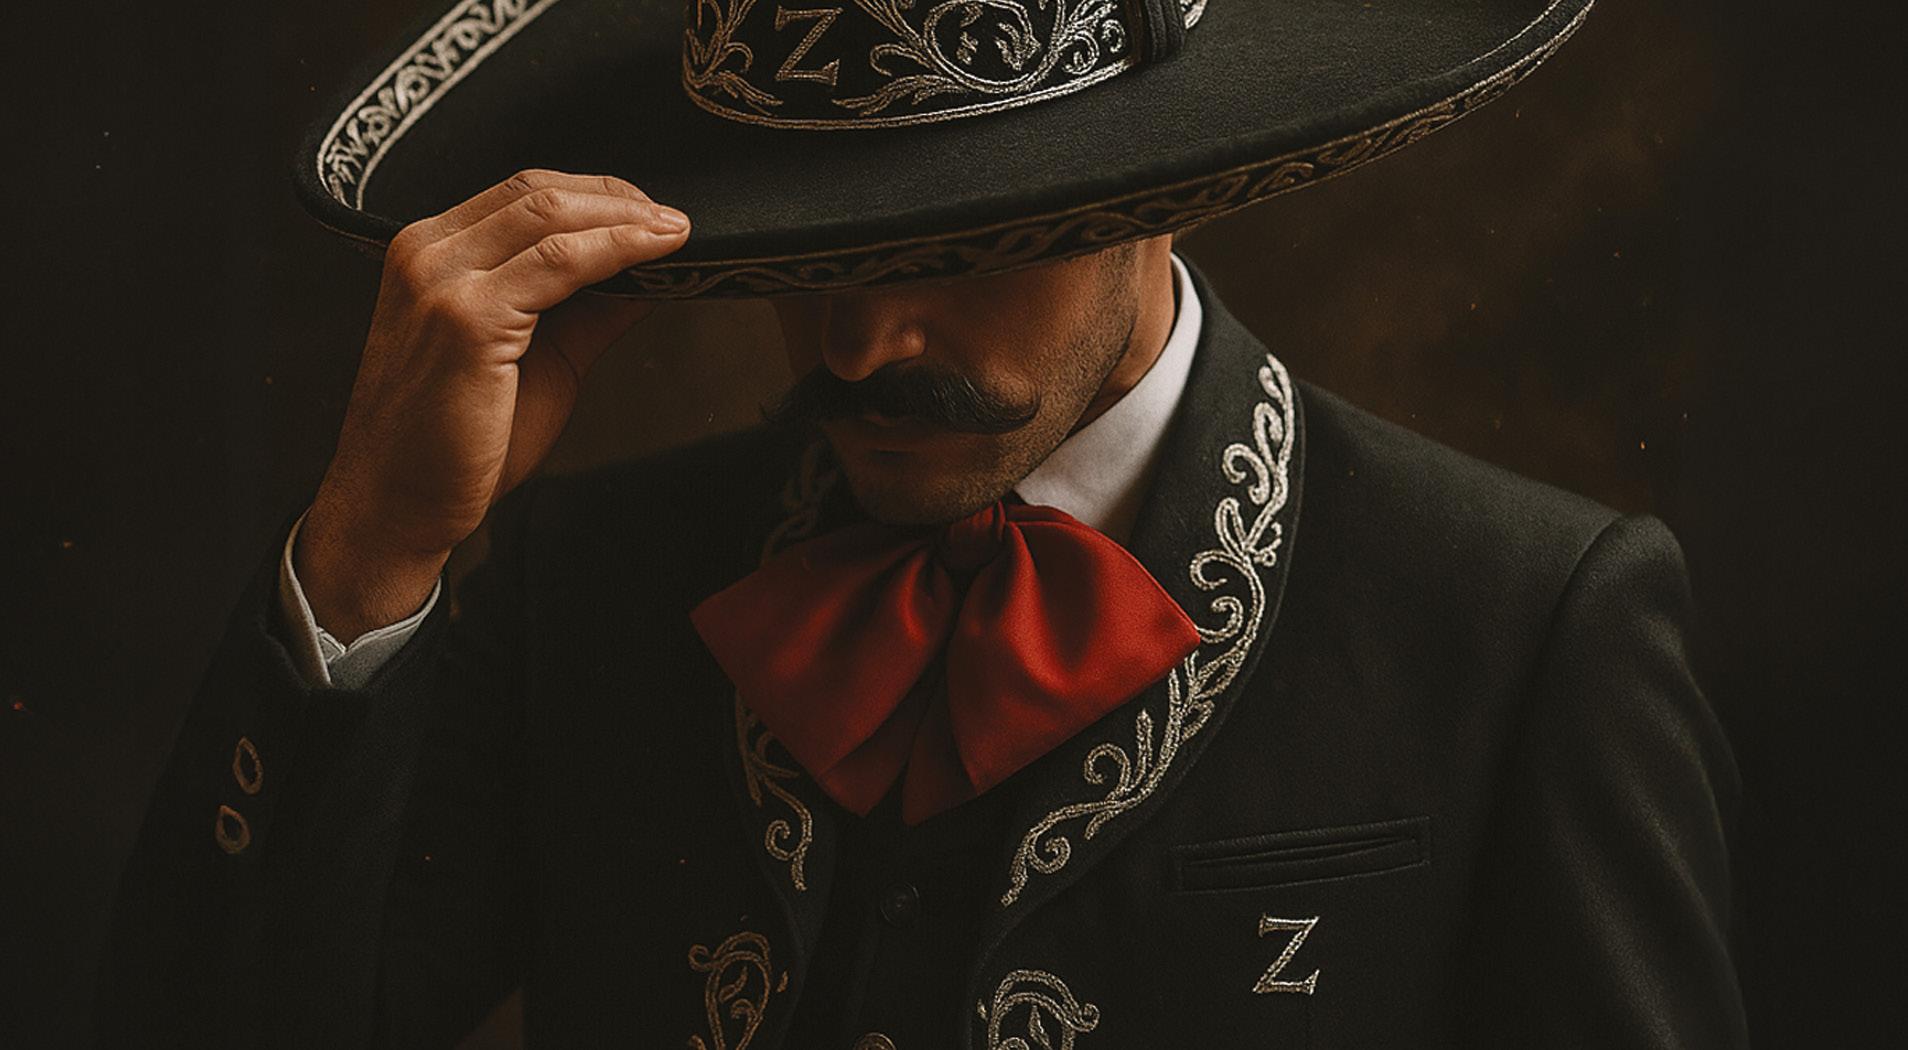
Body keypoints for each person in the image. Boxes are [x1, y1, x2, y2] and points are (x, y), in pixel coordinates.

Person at [98, 1, 1747, 1047]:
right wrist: (372, 550)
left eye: (965, 239)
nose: (863, 340)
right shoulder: (580, 584)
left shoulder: (1525, 621)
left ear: (1157, 193)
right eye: (812, 251)